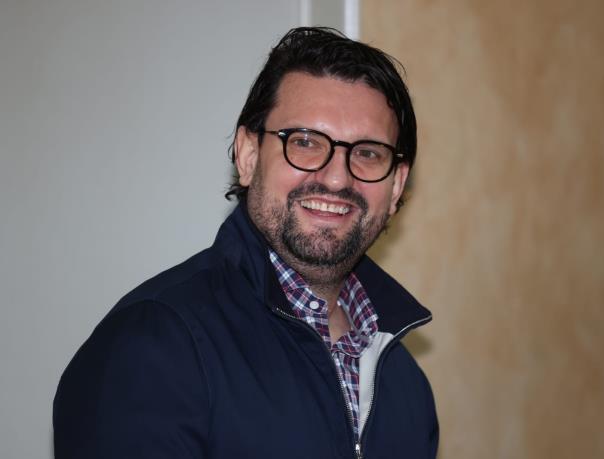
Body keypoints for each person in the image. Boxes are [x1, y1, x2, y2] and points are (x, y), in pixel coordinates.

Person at [53, 27, 439, 459]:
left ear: (396, 185)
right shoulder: (154, 345)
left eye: (368, 153)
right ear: (248, 156)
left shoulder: (406, 386)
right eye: (305, 143)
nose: (336, 178)